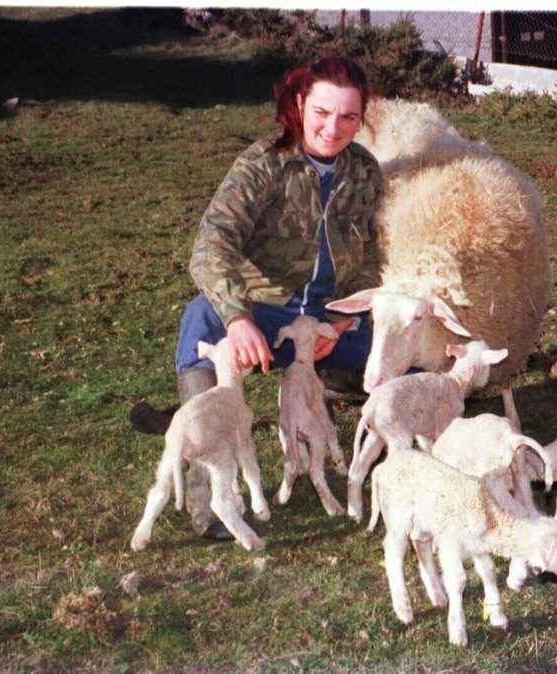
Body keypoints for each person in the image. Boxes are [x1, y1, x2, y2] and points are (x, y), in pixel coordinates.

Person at [130, 55, 383, 540]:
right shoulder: (263, 162)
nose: (334, 127)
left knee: (410, 354)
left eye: (349, 116)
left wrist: (344, 320)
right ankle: (210, 498)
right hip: (266, 317)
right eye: (323, 112)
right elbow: (212, 246)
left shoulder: (365, 172)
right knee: (199, 321)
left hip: (330, 326)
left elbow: (371, 258)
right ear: (299, 102)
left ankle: (396, 471)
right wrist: (237, 318)